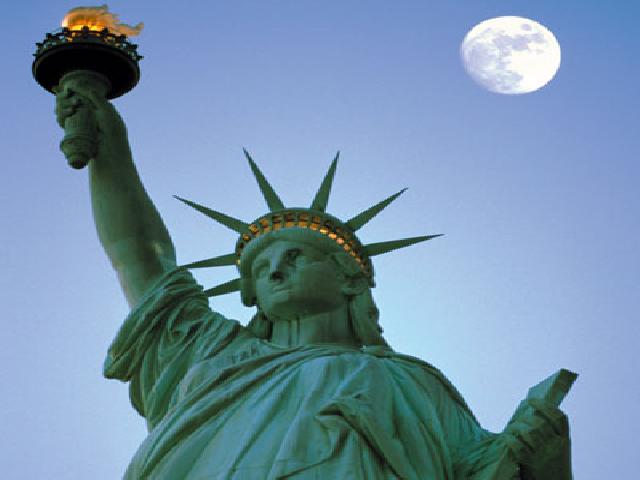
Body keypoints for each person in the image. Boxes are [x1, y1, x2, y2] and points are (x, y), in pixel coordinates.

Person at [54, 81, 573, 479]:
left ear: (350, 281)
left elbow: (485, 470)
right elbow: (137, 255)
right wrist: (111, 149)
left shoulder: (416, 384)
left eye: (297, 256)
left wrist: (547, 462)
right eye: (260, 269)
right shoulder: (210, 352)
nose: (276, 269)